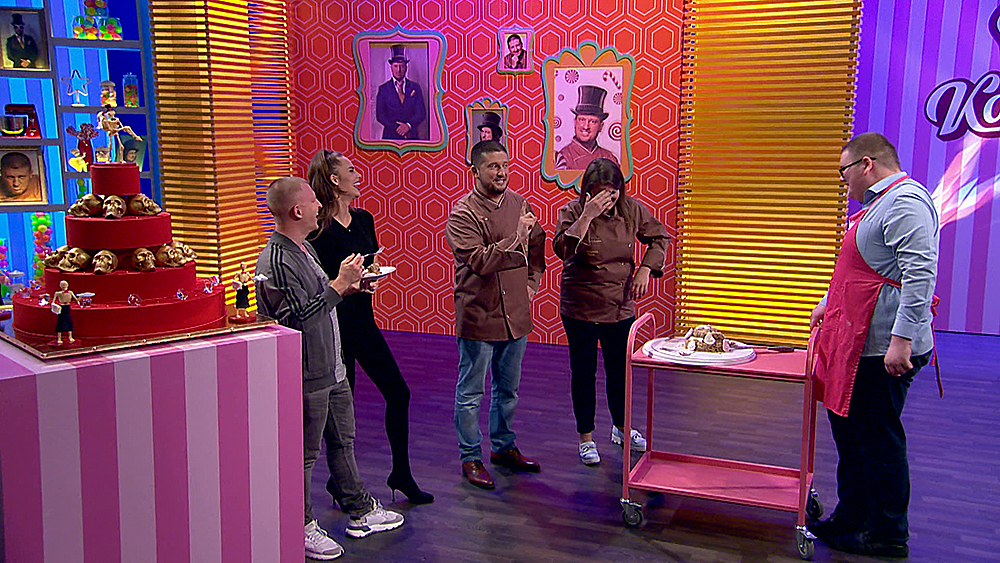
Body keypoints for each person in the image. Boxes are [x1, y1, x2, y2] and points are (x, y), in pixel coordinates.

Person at [256, 177, 404, 561]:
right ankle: (301, 525)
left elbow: (320, 300)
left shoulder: (304, 249)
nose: (319, 207)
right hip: (308, 373)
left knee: (343, 441)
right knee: (304, 455)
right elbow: (296, 320)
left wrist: (352, 287)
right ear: (297, 211)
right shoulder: (278, 261)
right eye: (312, 202)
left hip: (331, 365)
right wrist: (339, 284)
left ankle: (359, 509)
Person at [807, 133, 939, 559]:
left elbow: (920, 274)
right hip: (857, 344)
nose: (843, 181)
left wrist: (901, 340)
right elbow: (861, 269)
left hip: (882, 348)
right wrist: (828, 303)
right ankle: (851, 517)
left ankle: (887, 534)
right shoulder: (878, 205)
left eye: (843, 171)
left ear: (867, 164)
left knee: (878, 441)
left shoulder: (905, 203)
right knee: (851, 436)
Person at [306, 149, 433, 505]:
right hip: (335, 328)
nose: (357, 175)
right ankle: (340, 481)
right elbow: (320, 284)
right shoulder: (317, 231)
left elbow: (369, 267)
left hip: (364, 322)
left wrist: (370, 280)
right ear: (335, 180)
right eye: (350, 170)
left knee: (399, 393)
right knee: (342, 412)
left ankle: (401, 473)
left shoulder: (364, 219)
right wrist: (346, 284)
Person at [552, 158, 669, 465]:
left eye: (613, 192)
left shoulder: (631, 210)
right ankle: (586, 438)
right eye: (601, 192)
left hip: (619, 304)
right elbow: (562, 250)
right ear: (588, 190)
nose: (608, 198)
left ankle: (622, 427)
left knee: (620, 370)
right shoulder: (572, 211)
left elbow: (660, 238)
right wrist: (587, 216)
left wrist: (646, 269)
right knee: (584, 372)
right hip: (580, 305)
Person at [445, 140, 546, 490]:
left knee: (508, 390)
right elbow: (481, 261)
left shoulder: (520, 204)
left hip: (516, 315)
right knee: (471, 393)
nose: (501, 173)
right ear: (475, 171)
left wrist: (532, 282)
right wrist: (515, 238)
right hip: (480, 315)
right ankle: (470, 457)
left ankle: (503, 448)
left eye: (505, 165)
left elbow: (537, 244)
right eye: (493, 167)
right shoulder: (462, 215)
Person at [555, 85, 620, 171]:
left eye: (592, 121)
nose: (586, 127)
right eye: (582, 120)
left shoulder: (609, 158)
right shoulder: (563, 158)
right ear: (575, 122)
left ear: (601, 126)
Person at [375, 45, 426, 141]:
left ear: (406, 67)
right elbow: (380, 115)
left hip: (412, 137)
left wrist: (408, 126)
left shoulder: (415, 87)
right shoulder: (383, 89)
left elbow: (421, 112)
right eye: (396, 66)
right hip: (390, 137)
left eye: (402, 66)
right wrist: (399, 129)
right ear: (391, 68)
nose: (399, 70)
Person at [52, 280, 81, 345]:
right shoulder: (58, 293)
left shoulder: (70, 292)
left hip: (67, 308)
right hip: (61, 308)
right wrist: (56, 306)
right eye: (62, 285)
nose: (64, 286)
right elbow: (53, 302)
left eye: (65, 284)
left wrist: (80, 298)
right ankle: (59, 338)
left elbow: (76, 300)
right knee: (60, 322)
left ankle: (70, 336)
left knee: (69, 321)